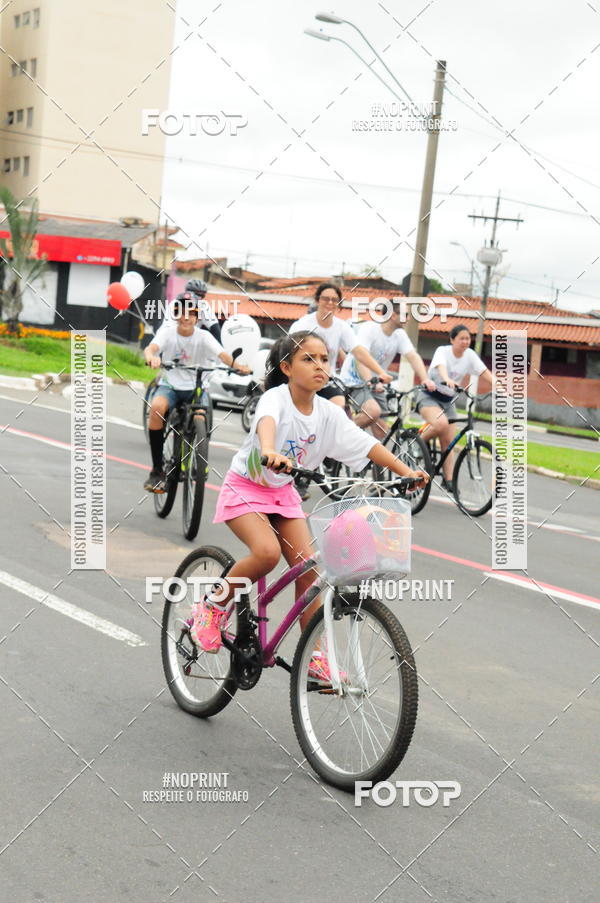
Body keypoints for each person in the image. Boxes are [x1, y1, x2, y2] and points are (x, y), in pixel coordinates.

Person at [189, 331, 429, 676]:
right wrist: (269, 450)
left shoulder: (328, 414)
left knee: (308, 569)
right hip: (246, 488)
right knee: (266, 554)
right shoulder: (276, 398)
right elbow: (266, 423)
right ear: (286, 367)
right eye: (308, 359)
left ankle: (315, 657)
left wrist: (407, 471)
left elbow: (365, 444)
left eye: (324, 360)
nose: (319, 366)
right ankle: (211, 607)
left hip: (282, 494)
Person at [143, 298, 249, 493]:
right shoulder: (167, 333)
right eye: (182, 313)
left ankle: (200, 462)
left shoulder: (204, 336)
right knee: (157, 408)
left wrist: (238, 366)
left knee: (201, 417)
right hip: (171, 385)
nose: (187, 317)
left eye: (192, 313)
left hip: (196, 386)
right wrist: (152, 357)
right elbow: (151, 348)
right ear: (176, 315)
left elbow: (222, 355)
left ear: (197, 317)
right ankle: (157, 470)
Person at [339, 301, 436, 439]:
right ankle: (340, 435)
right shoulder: (370, 329)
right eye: (405, 314)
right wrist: (371, 381)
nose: (408, 318)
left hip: (376, 383)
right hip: (355, 381)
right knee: (372, 412)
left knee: (382, 431)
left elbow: (413, 356)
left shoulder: (400, 335)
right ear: (393, 315)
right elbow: (360, 359)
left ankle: (375, 460)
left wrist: (425, 378)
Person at [415, 324, 494, 492]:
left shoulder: (470, 355)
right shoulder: (442, 351)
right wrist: (447, 379)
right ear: (452, 340)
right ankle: (417, 444)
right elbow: (440, 367)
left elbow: (484, 371)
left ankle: (448, 480)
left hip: (448, 401)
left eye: (468, 338)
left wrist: (499, 386)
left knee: (448, 442)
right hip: (429, 396)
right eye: (461, 338)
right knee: (441, 424)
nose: (465, 342)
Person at [289, 283, 393, 406]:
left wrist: (380, 372)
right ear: (317, 301)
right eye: (325, 299)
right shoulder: (302, 325)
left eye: (334, 300)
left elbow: (359, 351)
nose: (330, 303)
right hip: (302, 379)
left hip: (326, 380)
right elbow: (289, 352)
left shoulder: (342, 327)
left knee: (339, 406)